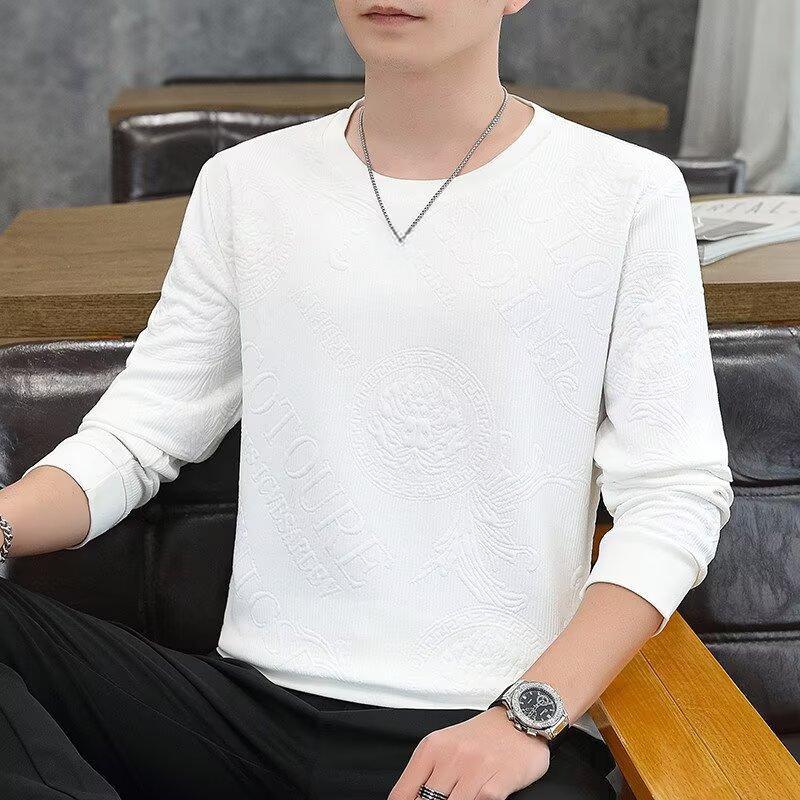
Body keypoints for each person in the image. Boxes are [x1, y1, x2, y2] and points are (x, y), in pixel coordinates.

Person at [0, 1, 734, 798]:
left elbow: (675, 496)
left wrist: (526, 717)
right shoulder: (247, 184)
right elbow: (134, 439)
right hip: (248, 714)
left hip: (481, 728)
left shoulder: (625, 193)